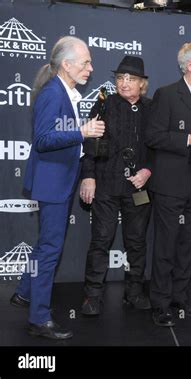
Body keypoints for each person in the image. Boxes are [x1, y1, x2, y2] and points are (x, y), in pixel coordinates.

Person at [10, 36, 104, 339]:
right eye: (85, 62)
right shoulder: (53, 93)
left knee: (44, 246)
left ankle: (25, 292)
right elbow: (42, 140)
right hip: (52, 183)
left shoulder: (65, 90)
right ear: (66, 64)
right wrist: (82, 132)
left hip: (58, 181)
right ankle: (39, 318)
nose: (91, 67)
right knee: (50, 249)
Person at [145, 40, 191, 327]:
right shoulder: (166, 95)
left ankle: (181, 297)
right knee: (165, 245)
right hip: (169, 184)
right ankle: (160, 304)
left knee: (187, 244)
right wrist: (187, 139)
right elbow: (152, 137)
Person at [79, 56, 152, 316]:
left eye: (130, 79)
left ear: (142, 83)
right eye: (120, 78)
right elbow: (89, 145)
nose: (124, 83)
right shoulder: (103, 105)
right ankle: (92, 296)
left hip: (139, 188)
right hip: (107, 185)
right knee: (101, 240)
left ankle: (133, 293)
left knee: (137, 242)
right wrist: (88, 177)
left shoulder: (151, 109)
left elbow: (158, 148)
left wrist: (147, 170)